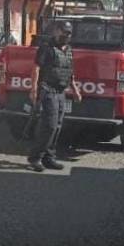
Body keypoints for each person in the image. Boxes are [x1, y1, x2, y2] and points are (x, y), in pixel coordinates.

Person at [28, 21, 82, 172]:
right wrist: (33, 89)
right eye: (64, 32)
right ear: (56, 31)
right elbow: (36, 68)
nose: (66, 35)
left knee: (57, 127)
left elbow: (69, 72)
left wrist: (75, 90)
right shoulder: (46, 48)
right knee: (49, 126)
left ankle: (49, 158)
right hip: (48, 90)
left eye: (69, 33)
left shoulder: (69, 50)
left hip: (61, 93)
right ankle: (35, 157)